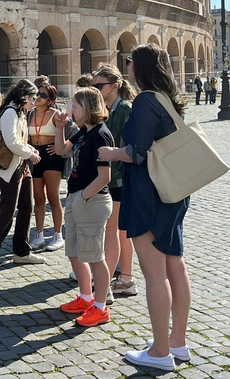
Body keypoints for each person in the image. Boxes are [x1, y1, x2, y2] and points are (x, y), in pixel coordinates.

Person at [98, 44, 192, 372]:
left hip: (149, 194)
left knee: (154, 273)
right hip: (174, 192)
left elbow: (136, 152)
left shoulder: (146, 100)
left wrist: (111, 153)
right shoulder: (170, 99)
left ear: (141, 67)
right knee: (175, 267)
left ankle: (160, 352)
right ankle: (177, 343)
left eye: (130, 63)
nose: (128, 69)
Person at [53, 87, 114, 327]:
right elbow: (61, 151)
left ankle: (101, 308)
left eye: (75, 106)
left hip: (92, 200)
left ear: (88, 107)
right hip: (78, 196)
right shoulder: (83, 132)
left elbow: (105, 176)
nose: (71, 110)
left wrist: (83, 197)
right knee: (75, 251)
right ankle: (86, 297)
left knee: (95, 255)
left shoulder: (101, 134)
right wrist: (59, 128)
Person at [0, 79, 45, 272]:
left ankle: (21, 251)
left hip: (20, 165)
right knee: (8, 210)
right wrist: (30, 153)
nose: (35, 101)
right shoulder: (10, 112)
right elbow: (11, 142)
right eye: (33, 97)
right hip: (10, 167)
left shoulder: (20, 112)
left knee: (27, 206)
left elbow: (20, 140)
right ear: (24, 96)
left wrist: (30, 150)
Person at [92, 64, 137, 305]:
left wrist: (112, 153)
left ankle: (110, 281)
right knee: (119, 233)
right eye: (94, 85)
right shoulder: (108, 108)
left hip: (120, 177)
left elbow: (131, 146)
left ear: (115, 87)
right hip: (113, 176)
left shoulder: (125, 109)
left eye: (100, 85)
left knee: (116, 232)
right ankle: (125, 279)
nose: (96, 89)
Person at [28, 83, 65, 251]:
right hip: (35, 154)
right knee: (38, 197)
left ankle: (58, 235)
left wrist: (59, 146)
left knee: (53, 196)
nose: (38, 98)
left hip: (51, 155)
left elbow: (70, 134)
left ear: (50, 100)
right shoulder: (29, 114)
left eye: (42, 95)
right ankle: (39, 233)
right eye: (37, 94)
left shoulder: (56, 114)